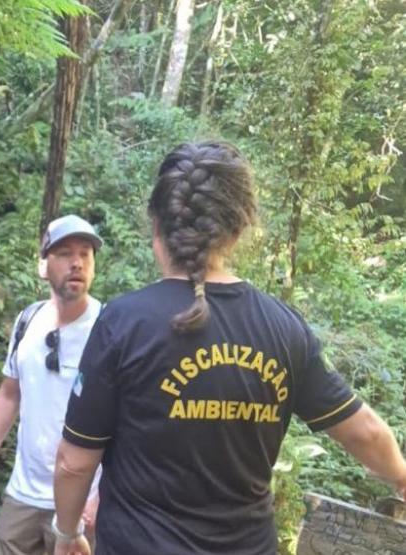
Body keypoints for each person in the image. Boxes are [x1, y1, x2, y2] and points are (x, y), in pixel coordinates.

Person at [51, 142, 406, 555]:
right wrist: (400, 474)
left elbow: (74, 462)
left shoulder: (123, 322)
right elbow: (362, 431)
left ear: (156, 228)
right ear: (238, 231)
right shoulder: (284, 328)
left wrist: (66, 532)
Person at [0, 215, 105, 555]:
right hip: (23, 495)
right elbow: (9, 393)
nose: (76, 262)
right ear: (43, 266)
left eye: (85, 254)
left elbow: (129, 419)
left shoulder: (109, 329)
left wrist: (104, 491)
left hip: (83, 500)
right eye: (63, 253)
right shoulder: (27, 320)